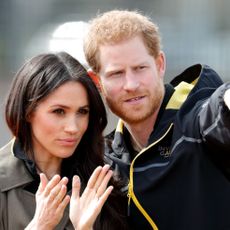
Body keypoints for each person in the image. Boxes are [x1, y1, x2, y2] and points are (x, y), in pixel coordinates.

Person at [84, 9, 230, 230]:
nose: (131, 84)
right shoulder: (103, 163)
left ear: (160, 64)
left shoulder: (199, 120)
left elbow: (220, 109)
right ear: (96, 81)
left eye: (140, 68)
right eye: (116, 73)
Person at [0, 51, 129, 230]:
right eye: (59, 111)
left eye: (82, 112)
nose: (73, 128)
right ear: (28, 111)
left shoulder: (104, 180)